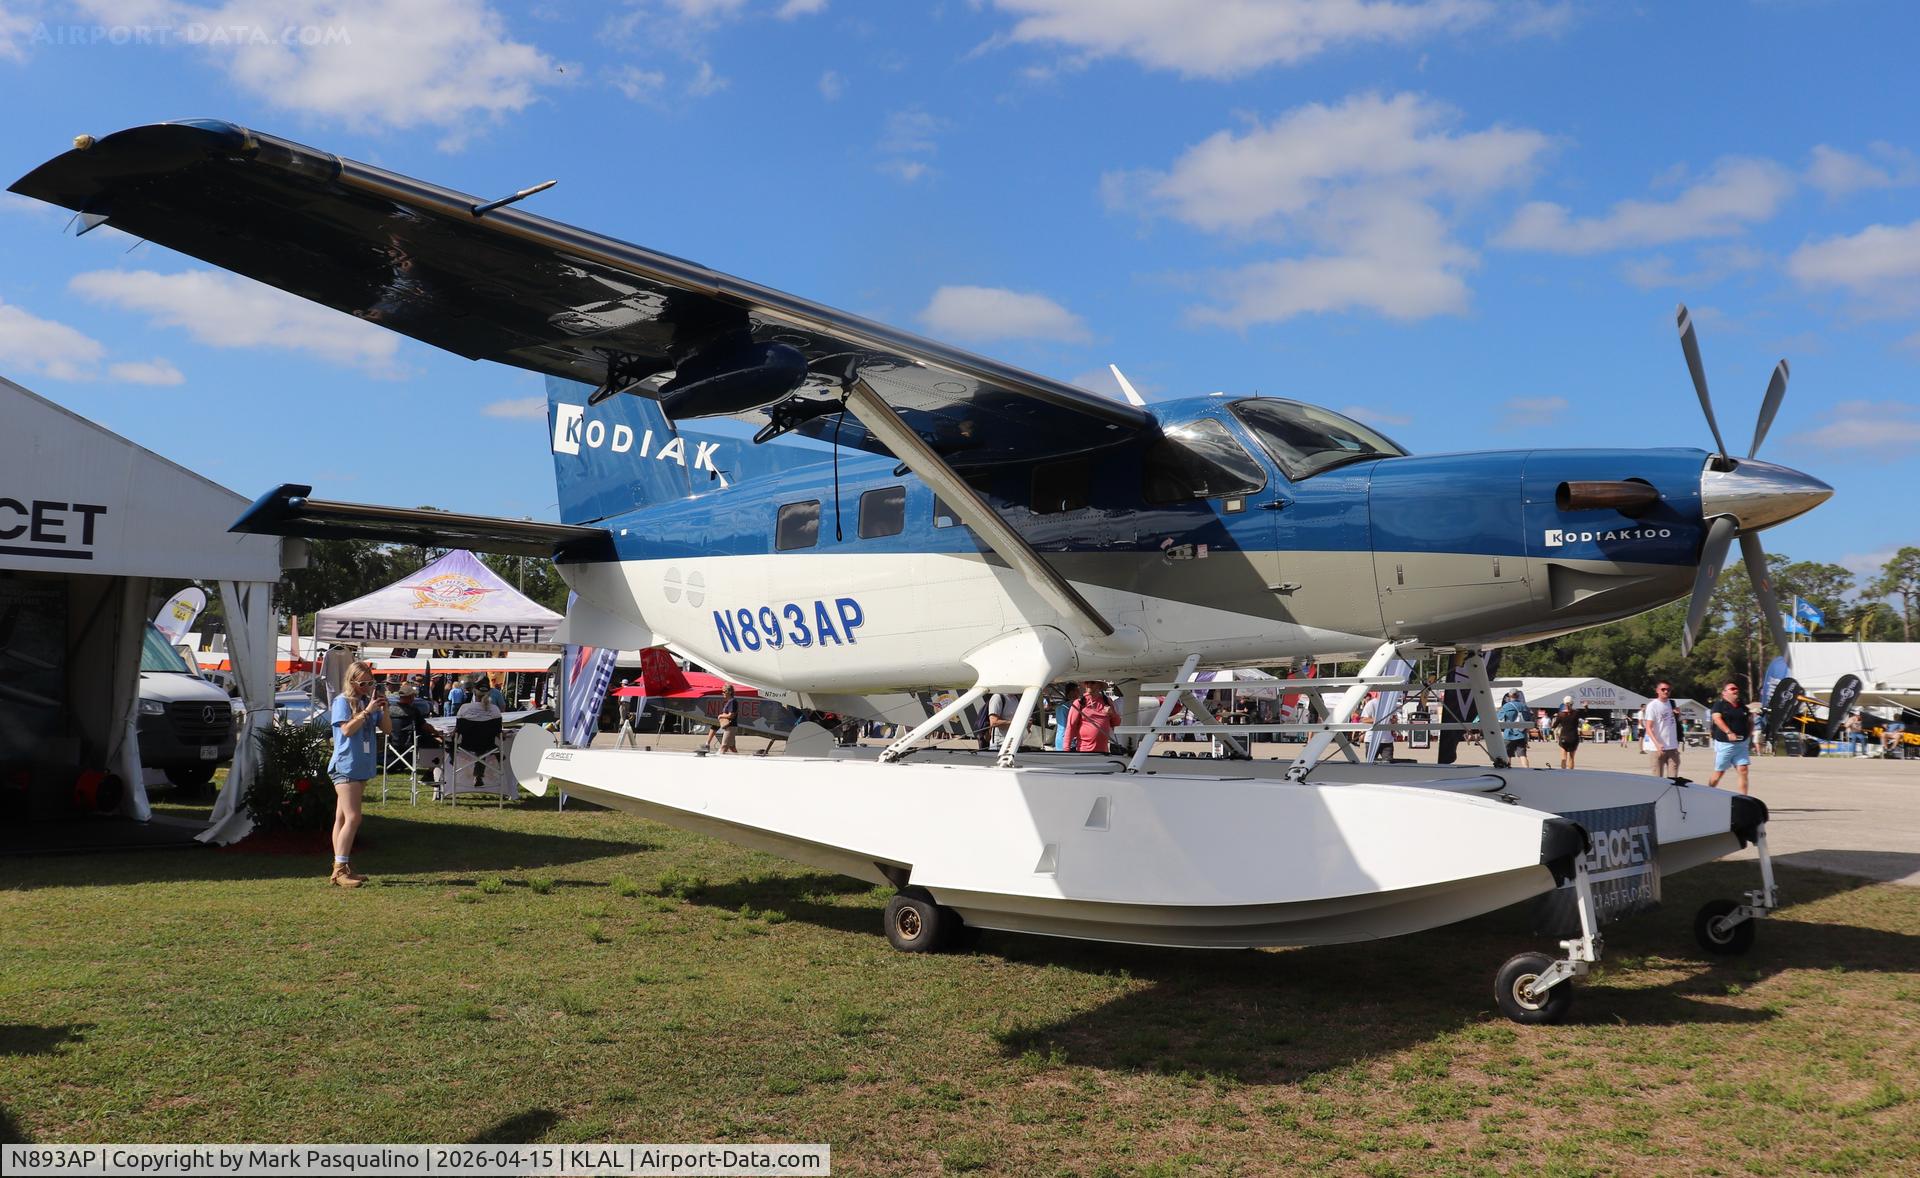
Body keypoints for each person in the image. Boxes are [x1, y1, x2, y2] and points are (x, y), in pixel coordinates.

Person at [327, 660, 390, 888]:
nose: (367, 687)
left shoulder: (366, 702)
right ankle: (339, 870)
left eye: (370, 683)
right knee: (354, 817)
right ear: (351, 681)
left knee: (342, 818)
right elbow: (345, 730)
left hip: (361, 766)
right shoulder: (342, 702)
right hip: (346, 765)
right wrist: (366, 712)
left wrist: (384, 710)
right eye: (363, 683)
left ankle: (341, 867)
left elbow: (388, 729)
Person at [1708, 679, 1752, 794]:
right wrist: (1728, 732)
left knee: (1743, 770)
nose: (1735, 690)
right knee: (1719, 772)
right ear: (1724, 693)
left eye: (1736, 688)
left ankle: (1743, 798)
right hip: (1725, 744)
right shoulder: (1719, 705)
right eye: (1732, 689)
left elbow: (1750, 721)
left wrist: (1748, 735)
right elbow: (1717, 719)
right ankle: (1708, 792)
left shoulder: (1742, 706)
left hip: (1741, 744)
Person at [1641, 680, 1682, 777]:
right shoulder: (1652, 706)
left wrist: (1678, 714)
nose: (1666, 691)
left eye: (1668, 690)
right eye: (1663, 689)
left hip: (1672, 747)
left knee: (1673, 780)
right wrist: (1657, 744)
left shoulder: (1672, 703)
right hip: (1658, 748)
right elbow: (1648, 727)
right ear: (1657, 690)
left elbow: (1673, 723)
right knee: (1658, 780)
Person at [1065, 681, 1116, 753]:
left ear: (1099, 685)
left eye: (1092, 683)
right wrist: (1066, 750)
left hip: (1103, 751)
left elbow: (1116, 723)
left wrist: (1112, 713)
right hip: (1084, 750)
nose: (1089, 685)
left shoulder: (1107, 701)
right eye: (1087, 683)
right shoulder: (1079, 702)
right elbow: (1070, 727)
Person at [1497, 691, 1531, 768]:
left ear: (1509, 696)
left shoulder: (1506, 706)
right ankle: (1526, 770)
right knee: (1523, 755)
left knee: (1507, 755)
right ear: (1518, 696)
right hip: (1521, 734)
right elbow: (1529, 719)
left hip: (1509, 734)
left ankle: (1508, 770)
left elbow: (1499, 718)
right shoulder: (1524, 706)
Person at [1551, 696, 1582, 769]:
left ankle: (1563, 772)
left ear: (1564, 704)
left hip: (1564, 737)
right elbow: (1585, 713)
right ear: (1572, 703)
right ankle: (1570, 773)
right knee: (1571, 758)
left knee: (1563, 757)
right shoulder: (1576, 713)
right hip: (1573, 737)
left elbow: (1554, 726)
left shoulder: (1560, 714)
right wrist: (1586, 707)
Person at [713, 685, 739, 754]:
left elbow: (731, 715)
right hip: (729, 726)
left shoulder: (732, 701)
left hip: (730, 726)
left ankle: (719, 757)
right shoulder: (730, 701)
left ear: (729, 692)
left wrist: (720, 716)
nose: (723, 693)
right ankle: (737, 758)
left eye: (724, 691)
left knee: (724, 746)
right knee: (732, 747)